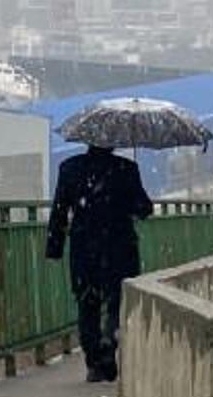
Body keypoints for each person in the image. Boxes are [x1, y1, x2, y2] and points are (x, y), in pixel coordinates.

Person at [45, 144, 154, 383]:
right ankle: (109, 340)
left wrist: (54, 247)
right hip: (119, 247)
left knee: (87, 302)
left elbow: (59, 211)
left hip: (84, 248)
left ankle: (94, 361)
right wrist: (133, 207)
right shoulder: (126, 168)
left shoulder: (69, 169)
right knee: (118, 301)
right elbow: (144, 208)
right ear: (113, 143)